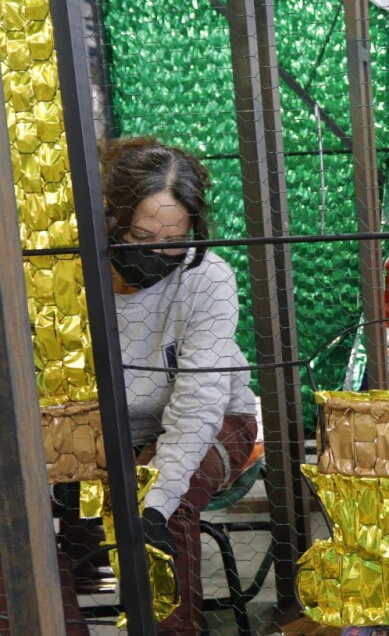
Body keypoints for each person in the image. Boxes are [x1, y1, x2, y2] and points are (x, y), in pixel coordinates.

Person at [0, 137, 258, 636]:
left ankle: (172, 628)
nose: (157, 256)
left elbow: (197, 407)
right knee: (13, 510)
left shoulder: (208, 280)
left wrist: (156, 502)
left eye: (173, 242)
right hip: (89, 432)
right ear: (108, 220)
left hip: (209, 424)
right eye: (140, 238)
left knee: (154, 500)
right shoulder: (62, 274)